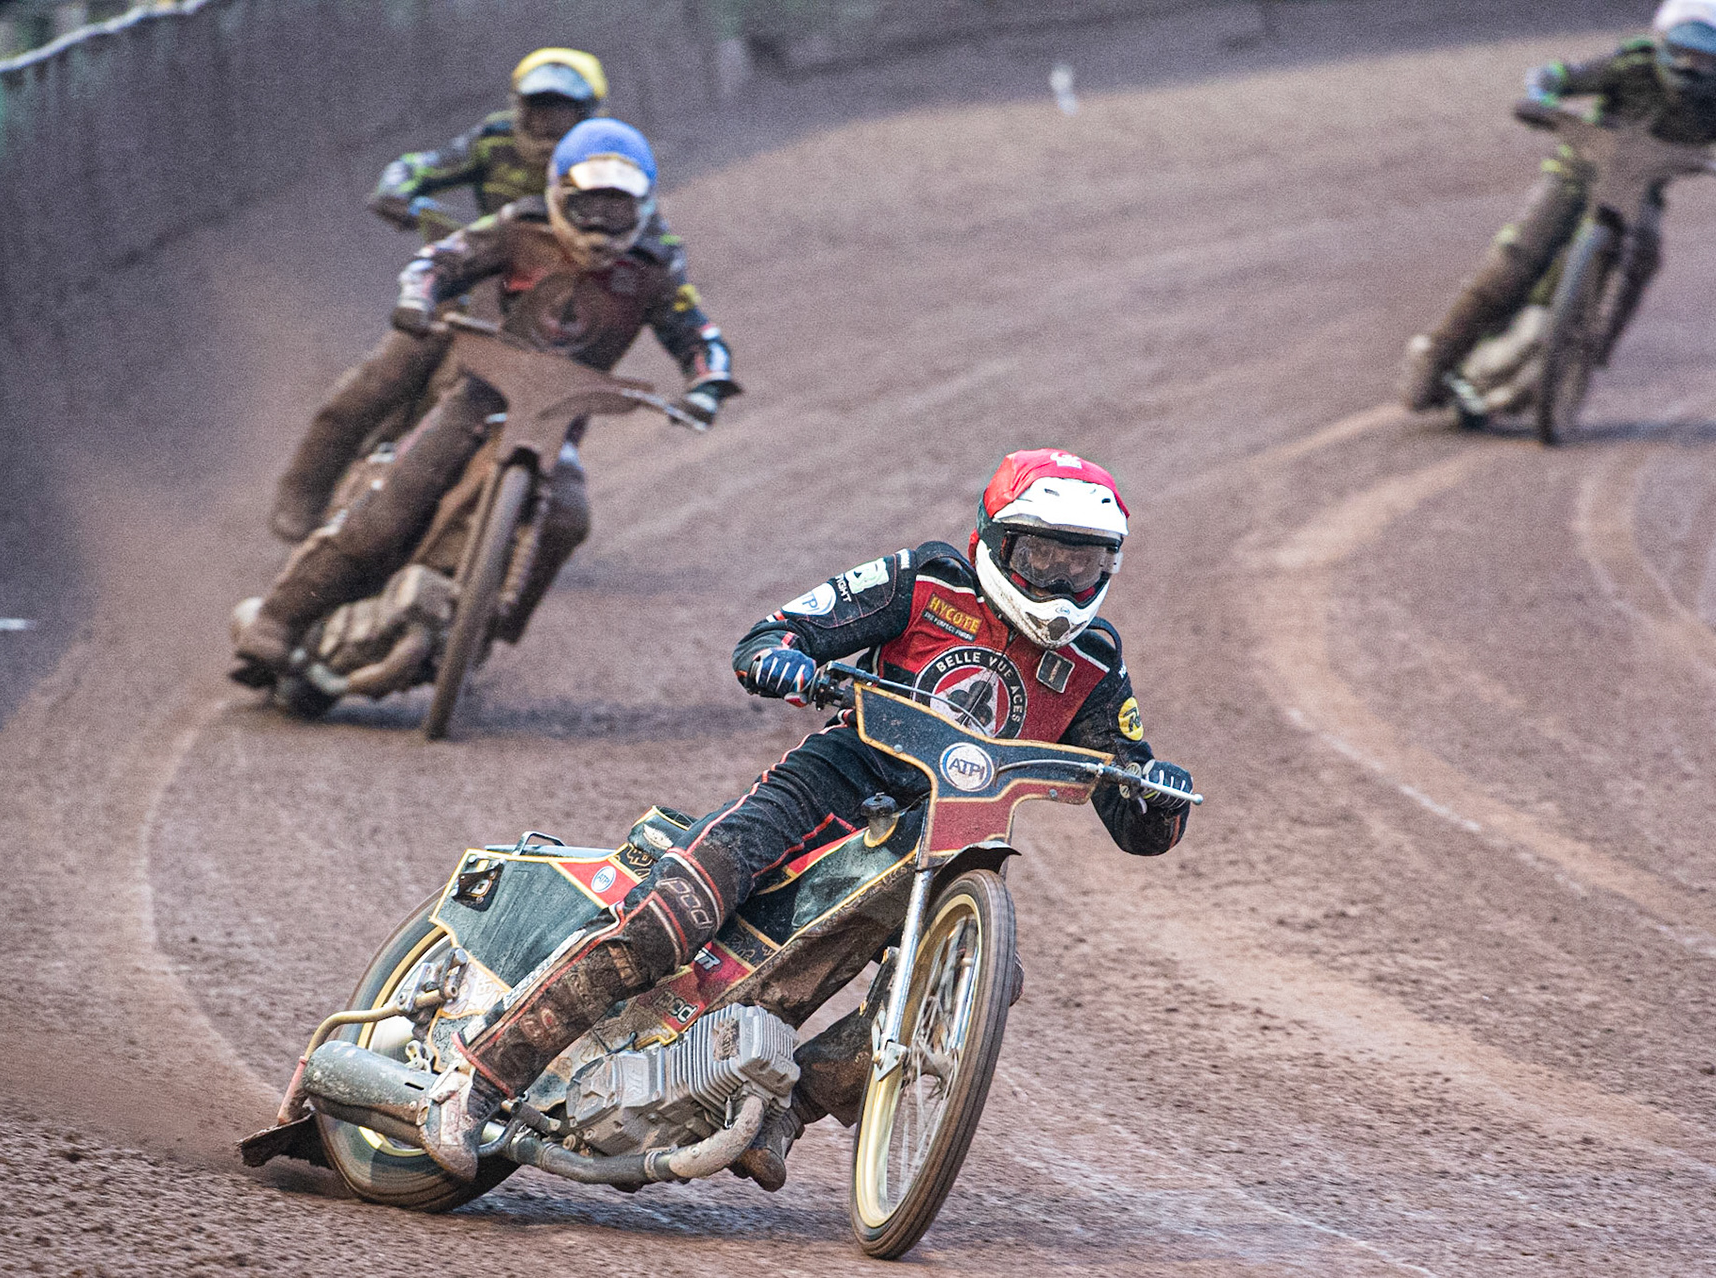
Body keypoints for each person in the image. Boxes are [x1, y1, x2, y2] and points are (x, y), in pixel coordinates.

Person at [413, 448, 1198, 1190]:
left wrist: (1158, 794)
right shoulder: (926, 581)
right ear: (995, 541)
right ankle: (478, 1080)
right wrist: (784, 657)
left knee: (977, 981)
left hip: (941, 837)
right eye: (1044, 558)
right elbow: (776, 633)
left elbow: (1135, 813)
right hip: (829, 782)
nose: (1062, 583)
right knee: (674, 918)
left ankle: (783, 1112)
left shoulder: (1094, 661)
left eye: (1083, 564)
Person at [233, 119, 736, 679]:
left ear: (644, 206)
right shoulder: (518, 225)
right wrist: (417, 298)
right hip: (479, 388)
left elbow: (699, 336)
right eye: (588, 207)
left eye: (617, 211)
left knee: (568, 516)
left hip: (559, 415)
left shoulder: (656, 264)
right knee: (395, 498)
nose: (600, 225)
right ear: (558, 194)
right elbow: (438, 261)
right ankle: (278, 619)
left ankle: (481, 634)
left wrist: (707, 386)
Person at [267, 48, 612, 543]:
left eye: (560, 112)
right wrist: (396, 187)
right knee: (383, 378)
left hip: (552, 312)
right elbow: (422, 164)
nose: (547, 125)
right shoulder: (493, 140)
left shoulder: (610, 164)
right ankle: (305, 488)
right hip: (473, 284)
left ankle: (520, 506)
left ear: (587, 113)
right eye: (538, 110)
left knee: (561, 402)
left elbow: (644, 230)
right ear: (518, 108)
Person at [1397, 0, 1716, 413]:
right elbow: (1564, 74)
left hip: (1639, 191)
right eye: (1681, 50)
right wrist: (1540, 93)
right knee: (1518, 259)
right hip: (1576, 172)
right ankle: (1437, 354)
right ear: (1662, 41)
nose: (1689, 66)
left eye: (1705, 58)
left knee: (1645, 258)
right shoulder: (1631, 66)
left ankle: (1592, 350)